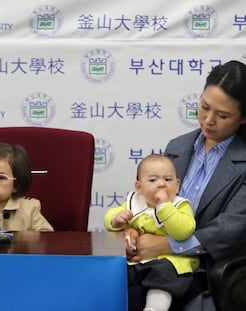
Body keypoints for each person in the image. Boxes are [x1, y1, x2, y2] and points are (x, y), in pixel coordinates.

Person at [126, 60, 246, 311]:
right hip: (154, 264)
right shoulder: (177, 147)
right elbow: (151, 202)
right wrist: (135, 232)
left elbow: (232, 227)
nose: (208, 120)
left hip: (210, 271)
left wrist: (169, 245)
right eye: (204, 107)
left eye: (222, 115)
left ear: (243, 118)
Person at [105, 154, 199, 311]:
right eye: (153, 180)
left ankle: (155, 308)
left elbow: (184, 231)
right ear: (139, 187)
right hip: (138, 261)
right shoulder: (134, 203)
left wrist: (164, 208)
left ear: (177, 185)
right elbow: (108, 218)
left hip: (170, 260)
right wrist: (116, 219)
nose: (161, 185)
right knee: (117, 271)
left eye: (168, 180)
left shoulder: (179, 205)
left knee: (163, 275)